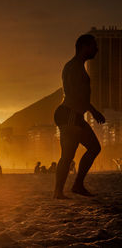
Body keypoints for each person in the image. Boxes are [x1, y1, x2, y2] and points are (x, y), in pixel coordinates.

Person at [53, 34, 105, 199]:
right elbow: (75, 94)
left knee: (94, 147)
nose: (96, 49)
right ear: (84, 47)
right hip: (69, 114)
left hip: (75, 115)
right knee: (67, 155)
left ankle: (77, 184)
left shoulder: (76, 66)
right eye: (93, 46)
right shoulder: (74, 67)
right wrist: (93, 111)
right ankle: (58, 192)